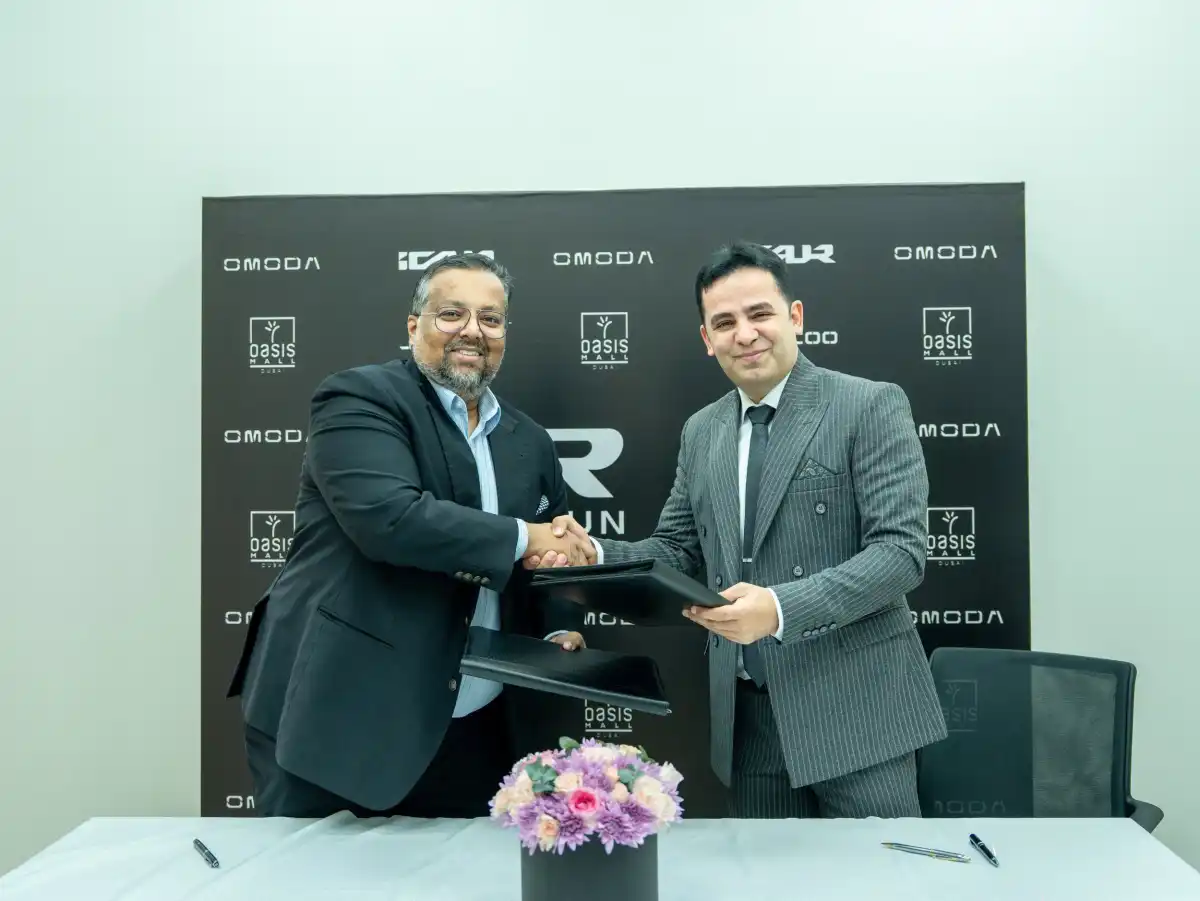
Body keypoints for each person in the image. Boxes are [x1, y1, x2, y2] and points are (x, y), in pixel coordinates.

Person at [531, 241, 947, 818]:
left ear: (795, 316)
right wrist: (593, 553)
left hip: (859, 713)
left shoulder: (868, 406)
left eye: (759, 314)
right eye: (724, 322)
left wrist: (777, 609)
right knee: (757, 868)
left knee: (879, 867)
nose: (745, 334)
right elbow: (676, 550)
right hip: (747, 718)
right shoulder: (702, 431)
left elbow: (900, 554)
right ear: (708, 339)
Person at [227, 252, 594, 818]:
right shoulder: (360, 399)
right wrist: (528, 536)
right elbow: (390, 519)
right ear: (413, 324)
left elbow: (551, 554)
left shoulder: (531, 441)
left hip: (474, 726)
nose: (473, 331)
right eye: (452, 313)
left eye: (491, 319)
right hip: (342, 721)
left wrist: (558, 627)